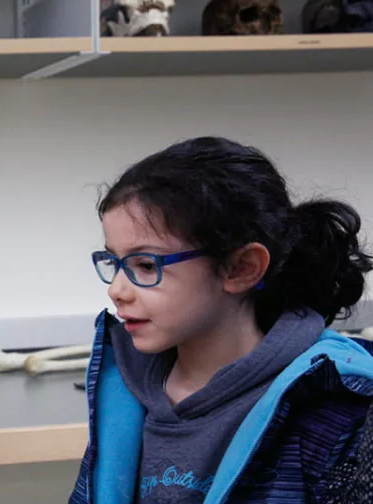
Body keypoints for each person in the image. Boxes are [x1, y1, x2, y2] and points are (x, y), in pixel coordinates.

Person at [67, 136, 373, 503]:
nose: (117, 290)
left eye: (146, 265)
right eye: (114, 263)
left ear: (241, 269)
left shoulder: (336, 410)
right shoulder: (125, 392)